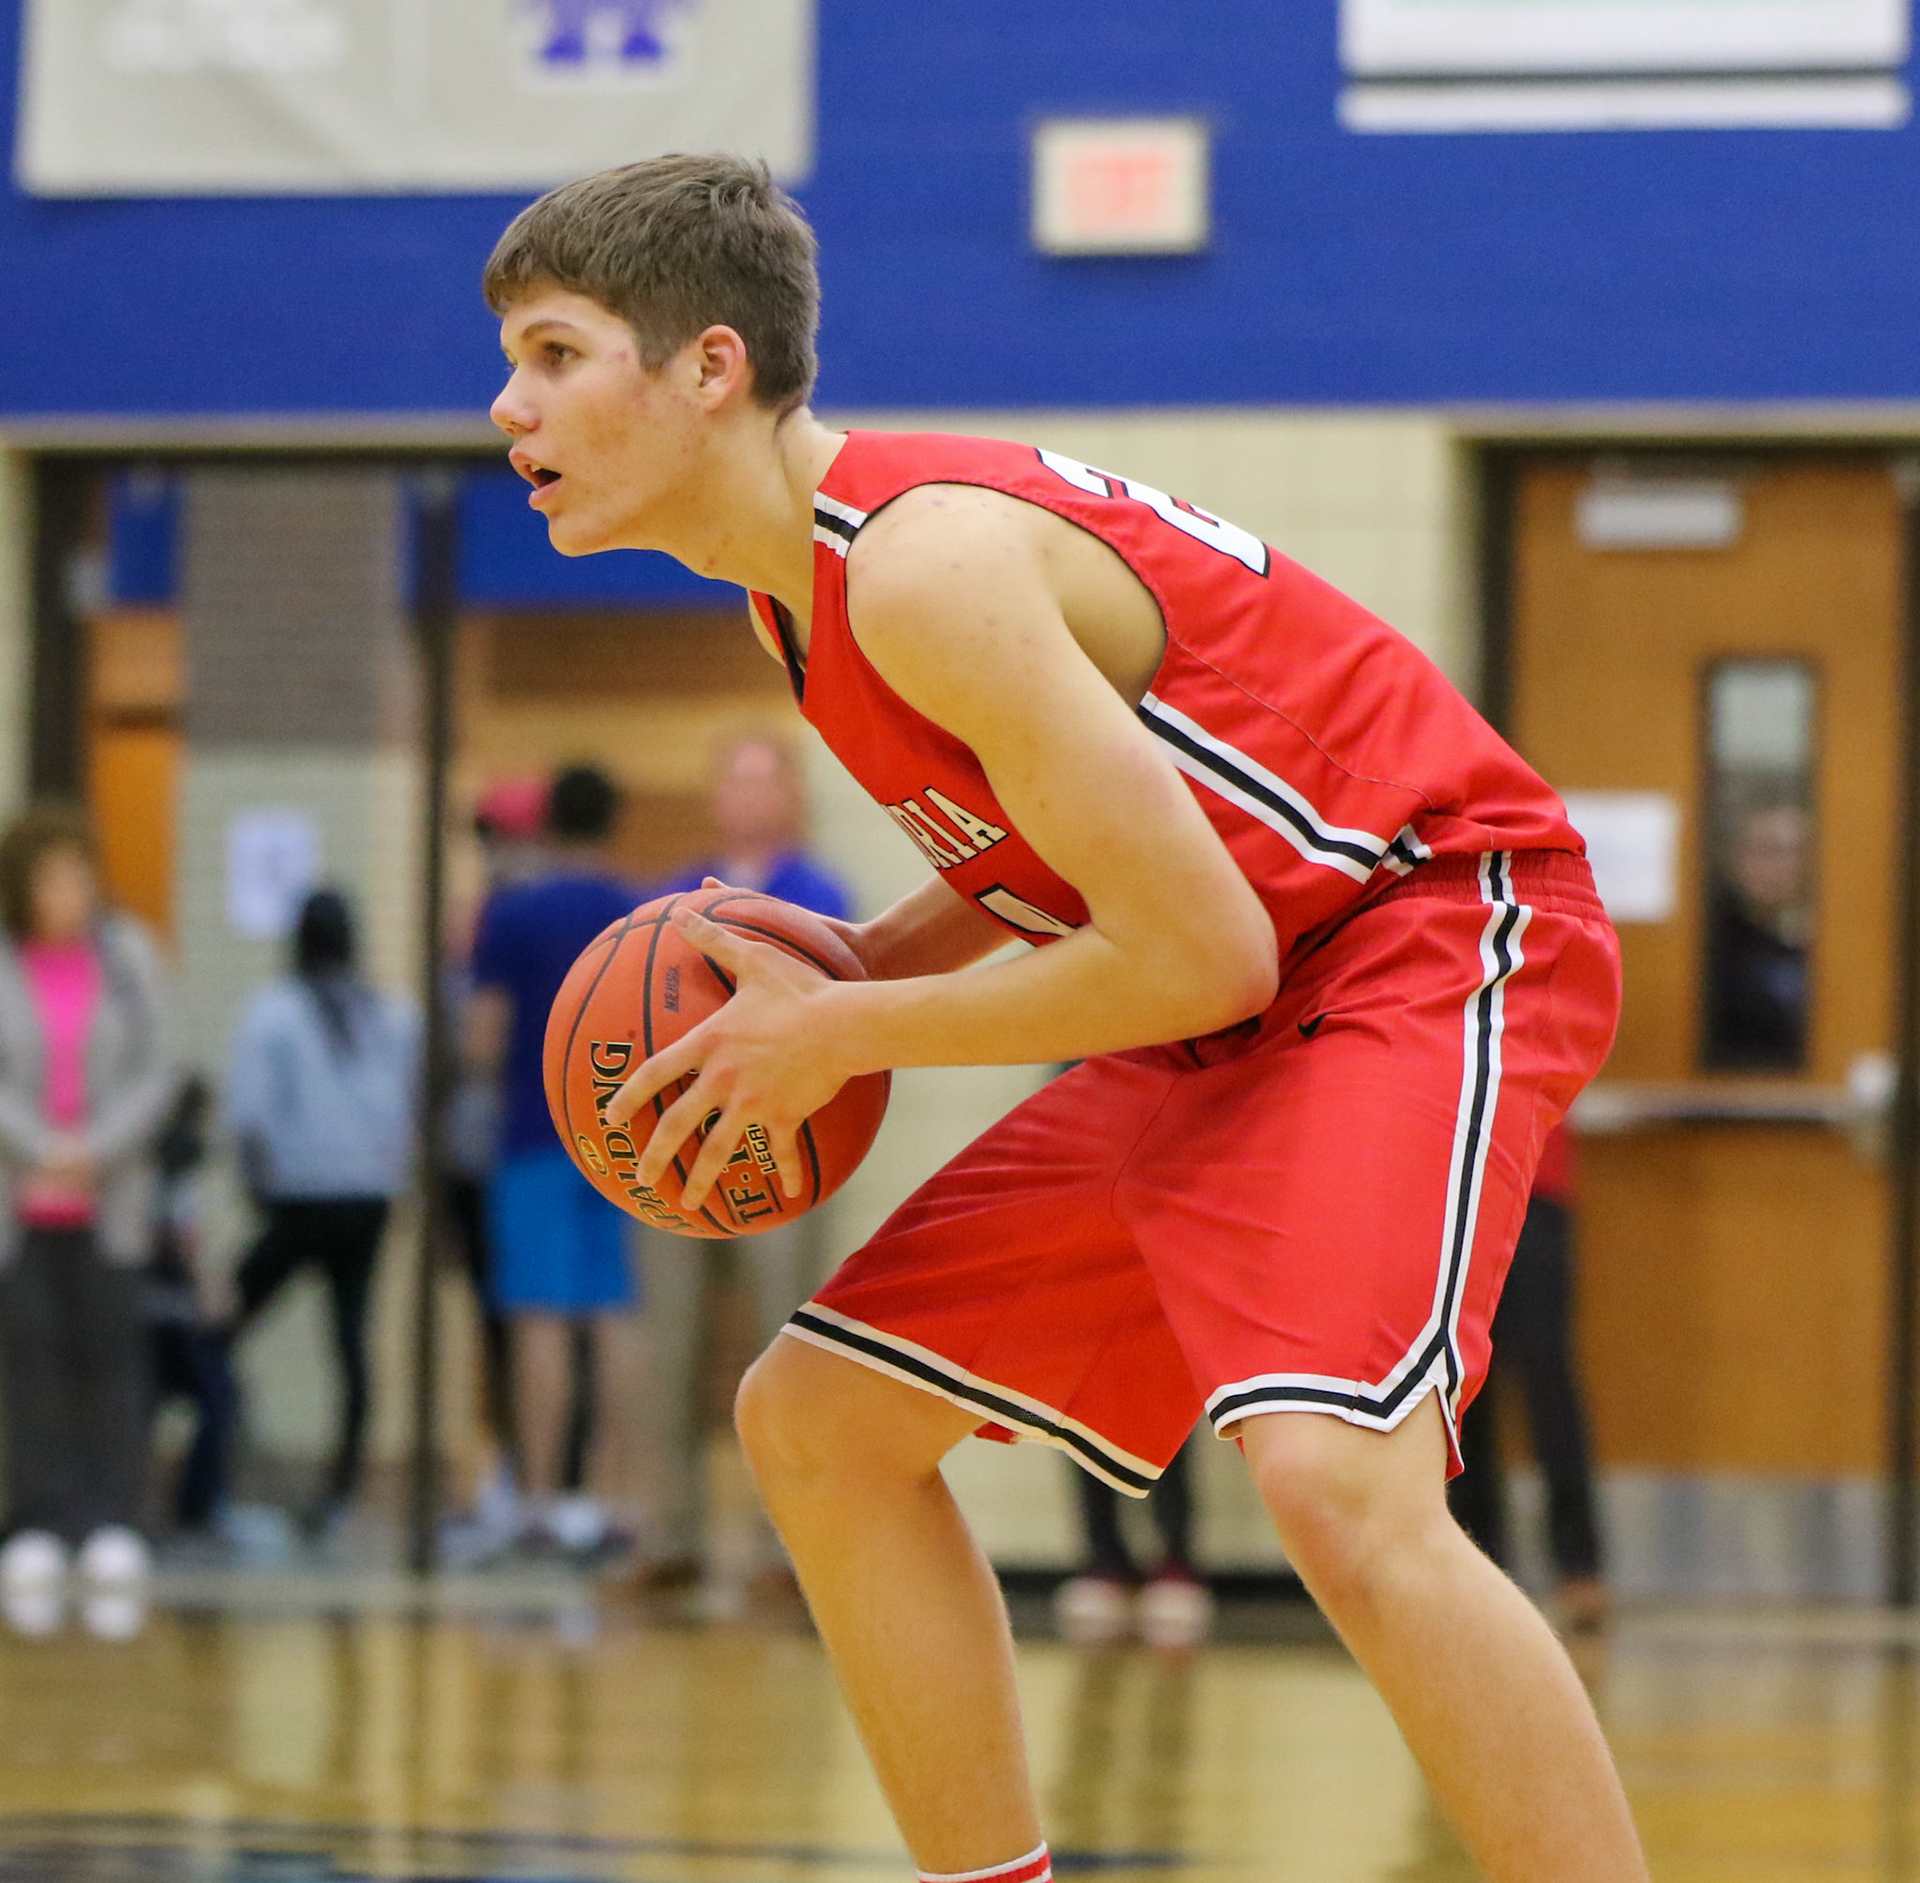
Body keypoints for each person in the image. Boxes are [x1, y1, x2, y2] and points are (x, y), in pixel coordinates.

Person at [486, 156, 1644, 1880]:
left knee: (1341, 1486)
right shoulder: (800, 591)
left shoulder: (920, 566)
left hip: (1419, 924)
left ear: (711, 365)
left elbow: (1202, 949)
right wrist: (867, 957)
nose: (509, 405)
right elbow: (1087, 847)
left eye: (556, 353)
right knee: (819, 1423)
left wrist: (842, 1035)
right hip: (1248, 983)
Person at [634, 733, 852, 1595]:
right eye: (735, 779)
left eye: (765, 781)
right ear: (715, 796)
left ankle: (785, 1549)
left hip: (783, 1149)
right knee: (668, 1349)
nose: (749, 796)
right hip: (679, 1147)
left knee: (786, 1349)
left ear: (792, 797)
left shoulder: (822, 896)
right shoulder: (672, 900)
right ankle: (668, 1535)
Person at [467, 763, 649, 1560]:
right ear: (613, 823)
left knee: (540, 1315)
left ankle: (540, 1500)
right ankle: (610, 1498)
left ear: (546, 824)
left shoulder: (512, 914)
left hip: (536, 1135)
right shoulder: (641, 913)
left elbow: (483, 1039)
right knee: (613, 1313)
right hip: (626, 1140)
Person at [0, 803, 176, 1597]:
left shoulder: (128, 956)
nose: (70, 892)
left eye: (80, 875)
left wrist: (94, 1151)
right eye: (53, 877)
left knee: (111, 1356)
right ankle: (40, 1518)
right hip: (21, 1195)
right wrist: (40, 1149)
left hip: (109, 1195)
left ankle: (112, 1518)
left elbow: (158, 1070)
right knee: (31, 1357)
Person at [225, 887, 419, 1539]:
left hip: (302, 1197)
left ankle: (216, 1470)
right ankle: (340, 1487)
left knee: (221, 1321)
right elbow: (411, 1108)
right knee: (350, 1343)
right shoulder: (390, 1014)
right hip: (368, 1195)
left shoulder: (274, 1012)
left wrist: (259, 1192)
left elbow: (249, 1115)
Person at [144, 1074, 240, 1537]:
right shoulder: (150, 1180)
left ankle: (195, 1506)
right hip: (156, 1318)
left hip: (178, 1318)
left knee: (222, 1401)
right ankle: (180, 1506)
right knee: (213, 1399)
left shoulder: (190, 1183)